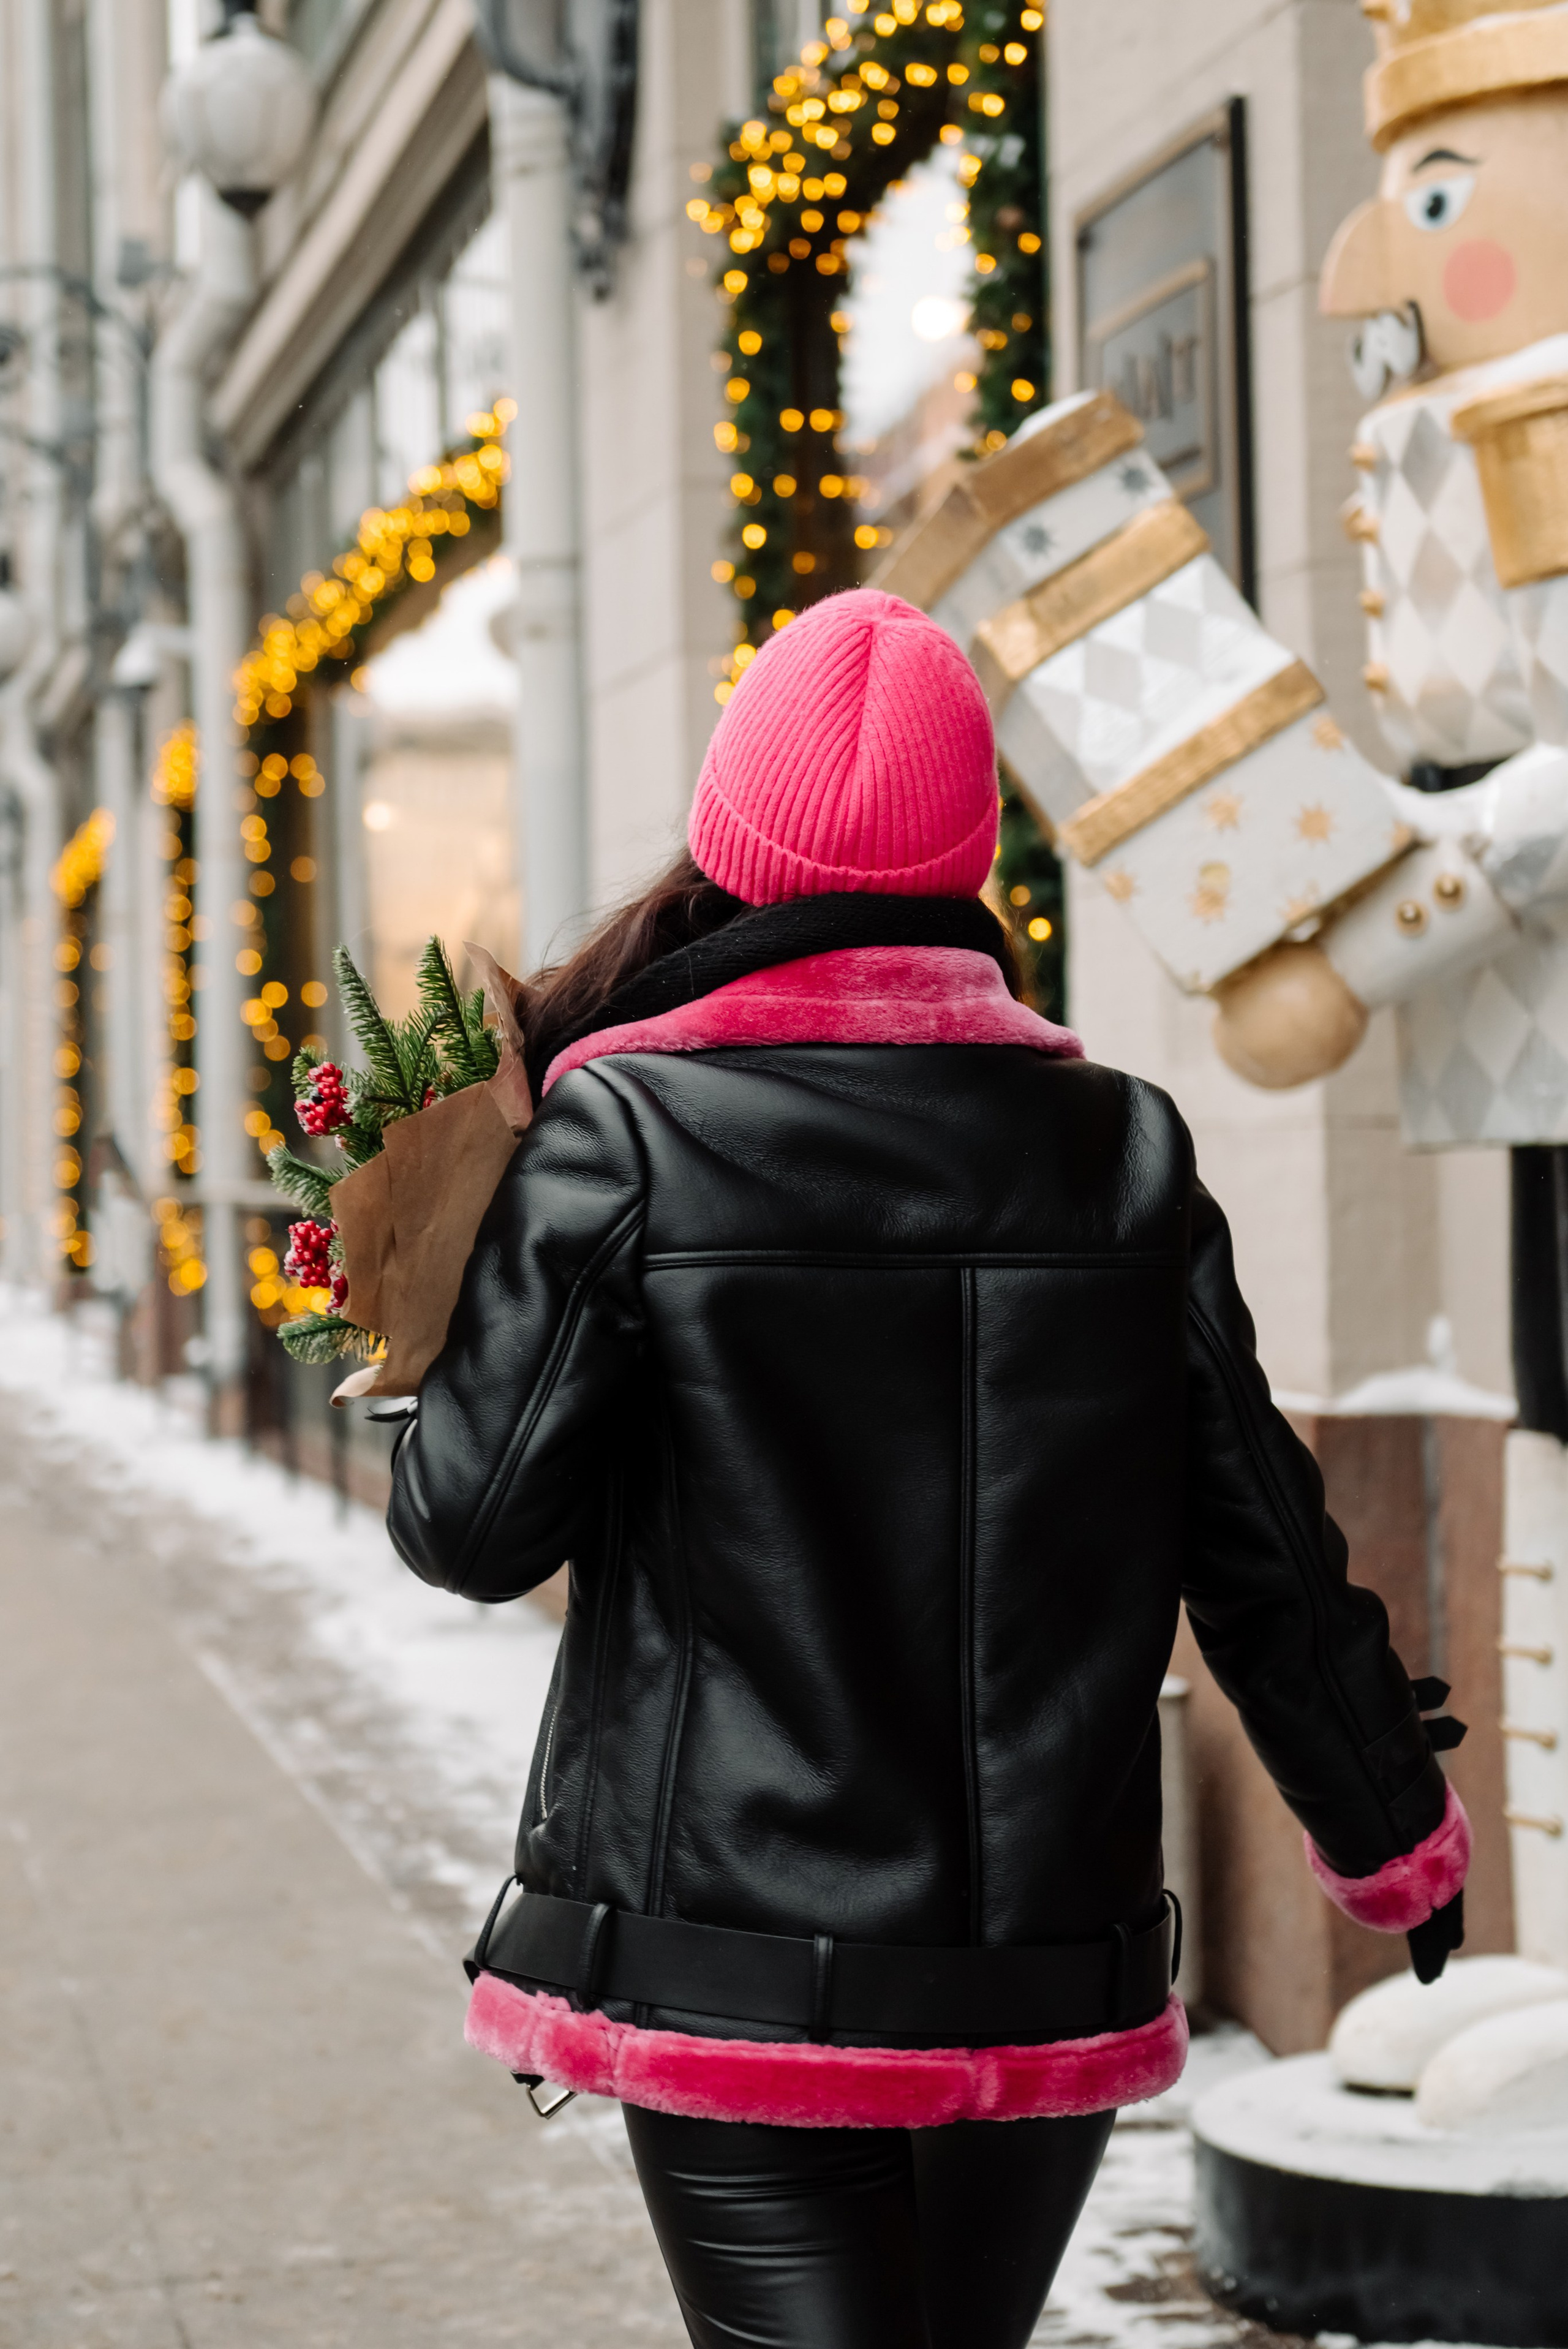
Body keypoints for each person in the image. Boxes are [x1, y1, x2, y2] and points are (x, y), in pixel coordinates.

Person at [386, 588, 1470, 2349]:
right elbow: (1260, 1536)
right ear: (970, 864)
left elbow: (468, 1524)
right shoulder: (1117, 1147)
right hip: (1036, 1968)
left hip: (735, 1980)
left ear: (730, 841)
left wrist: (464, 1293)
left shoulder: (627, 1137)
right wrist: (1393, 1833)